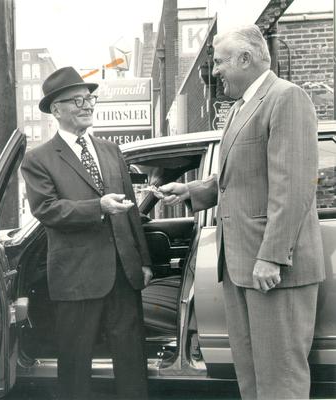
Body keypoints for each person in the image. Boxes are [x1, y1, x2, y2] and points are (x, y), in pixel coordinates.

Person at [154, 25, 325, 399]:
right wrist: (192, 190)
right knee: (251, 377)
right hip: (242, 266)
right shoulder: (240, 108)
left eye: (219, 61)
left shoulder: (286, 98)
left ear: (245, 59)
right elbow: (239, 177)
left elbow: (293, 187)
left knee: (280, 379)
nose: (214, 71)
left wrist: (271, 256)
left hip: (274, 269)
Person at [21, 66, 153, 400]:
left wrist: (144, 262)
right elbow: (47, 210)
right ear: (56, 109)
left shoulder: (111, 150)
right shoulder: (38, 159)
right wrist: (98, 207)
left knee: (131, 361)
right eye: (76, 100)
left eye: (89, 99)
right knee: (76, 365)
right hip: (76, 277)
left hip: (124, 274)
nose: (86, 105)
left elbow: (132, 210)